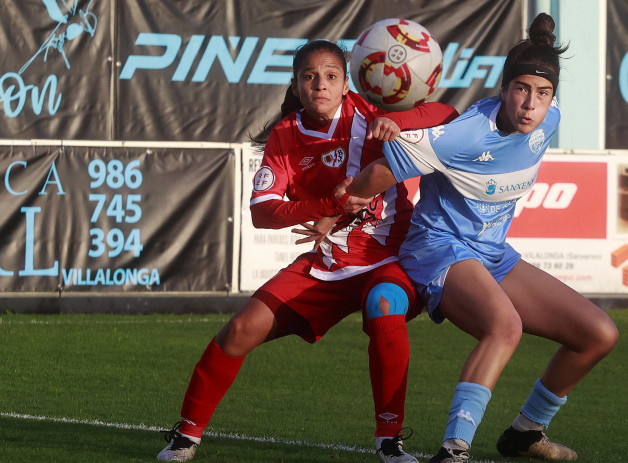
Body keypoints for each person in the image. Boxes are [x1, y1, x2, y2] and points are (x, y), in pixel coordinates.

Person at [156, 39, 458, 463]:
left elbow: (448, 114)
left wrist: (401, 120)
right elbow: (263, 212)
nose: (321, 85)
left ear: (346, 83)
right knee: (241, 330)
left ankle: (389, 441)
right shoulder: (286, 134)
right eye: (310, 77)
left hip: (388, 259)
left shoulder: (374, 112)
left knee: (384, 304)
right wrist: (331, 207)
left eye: (331, 76)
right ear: (297, 86)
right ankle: (186, 435)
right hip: (327, 264)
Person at [336, 13, 619, 463]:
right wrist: (343, 204)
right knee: (505, 327)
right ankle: (453, 450)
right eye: (521, 89)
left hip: (491, 253)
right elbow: (383, 169)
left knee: (598, 333)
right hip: (437, 248)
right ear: (503, 89)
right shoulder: (465, 133)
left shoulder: (549, 121)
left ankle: (525, 433)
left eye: (542, 93)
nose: (530, 104)